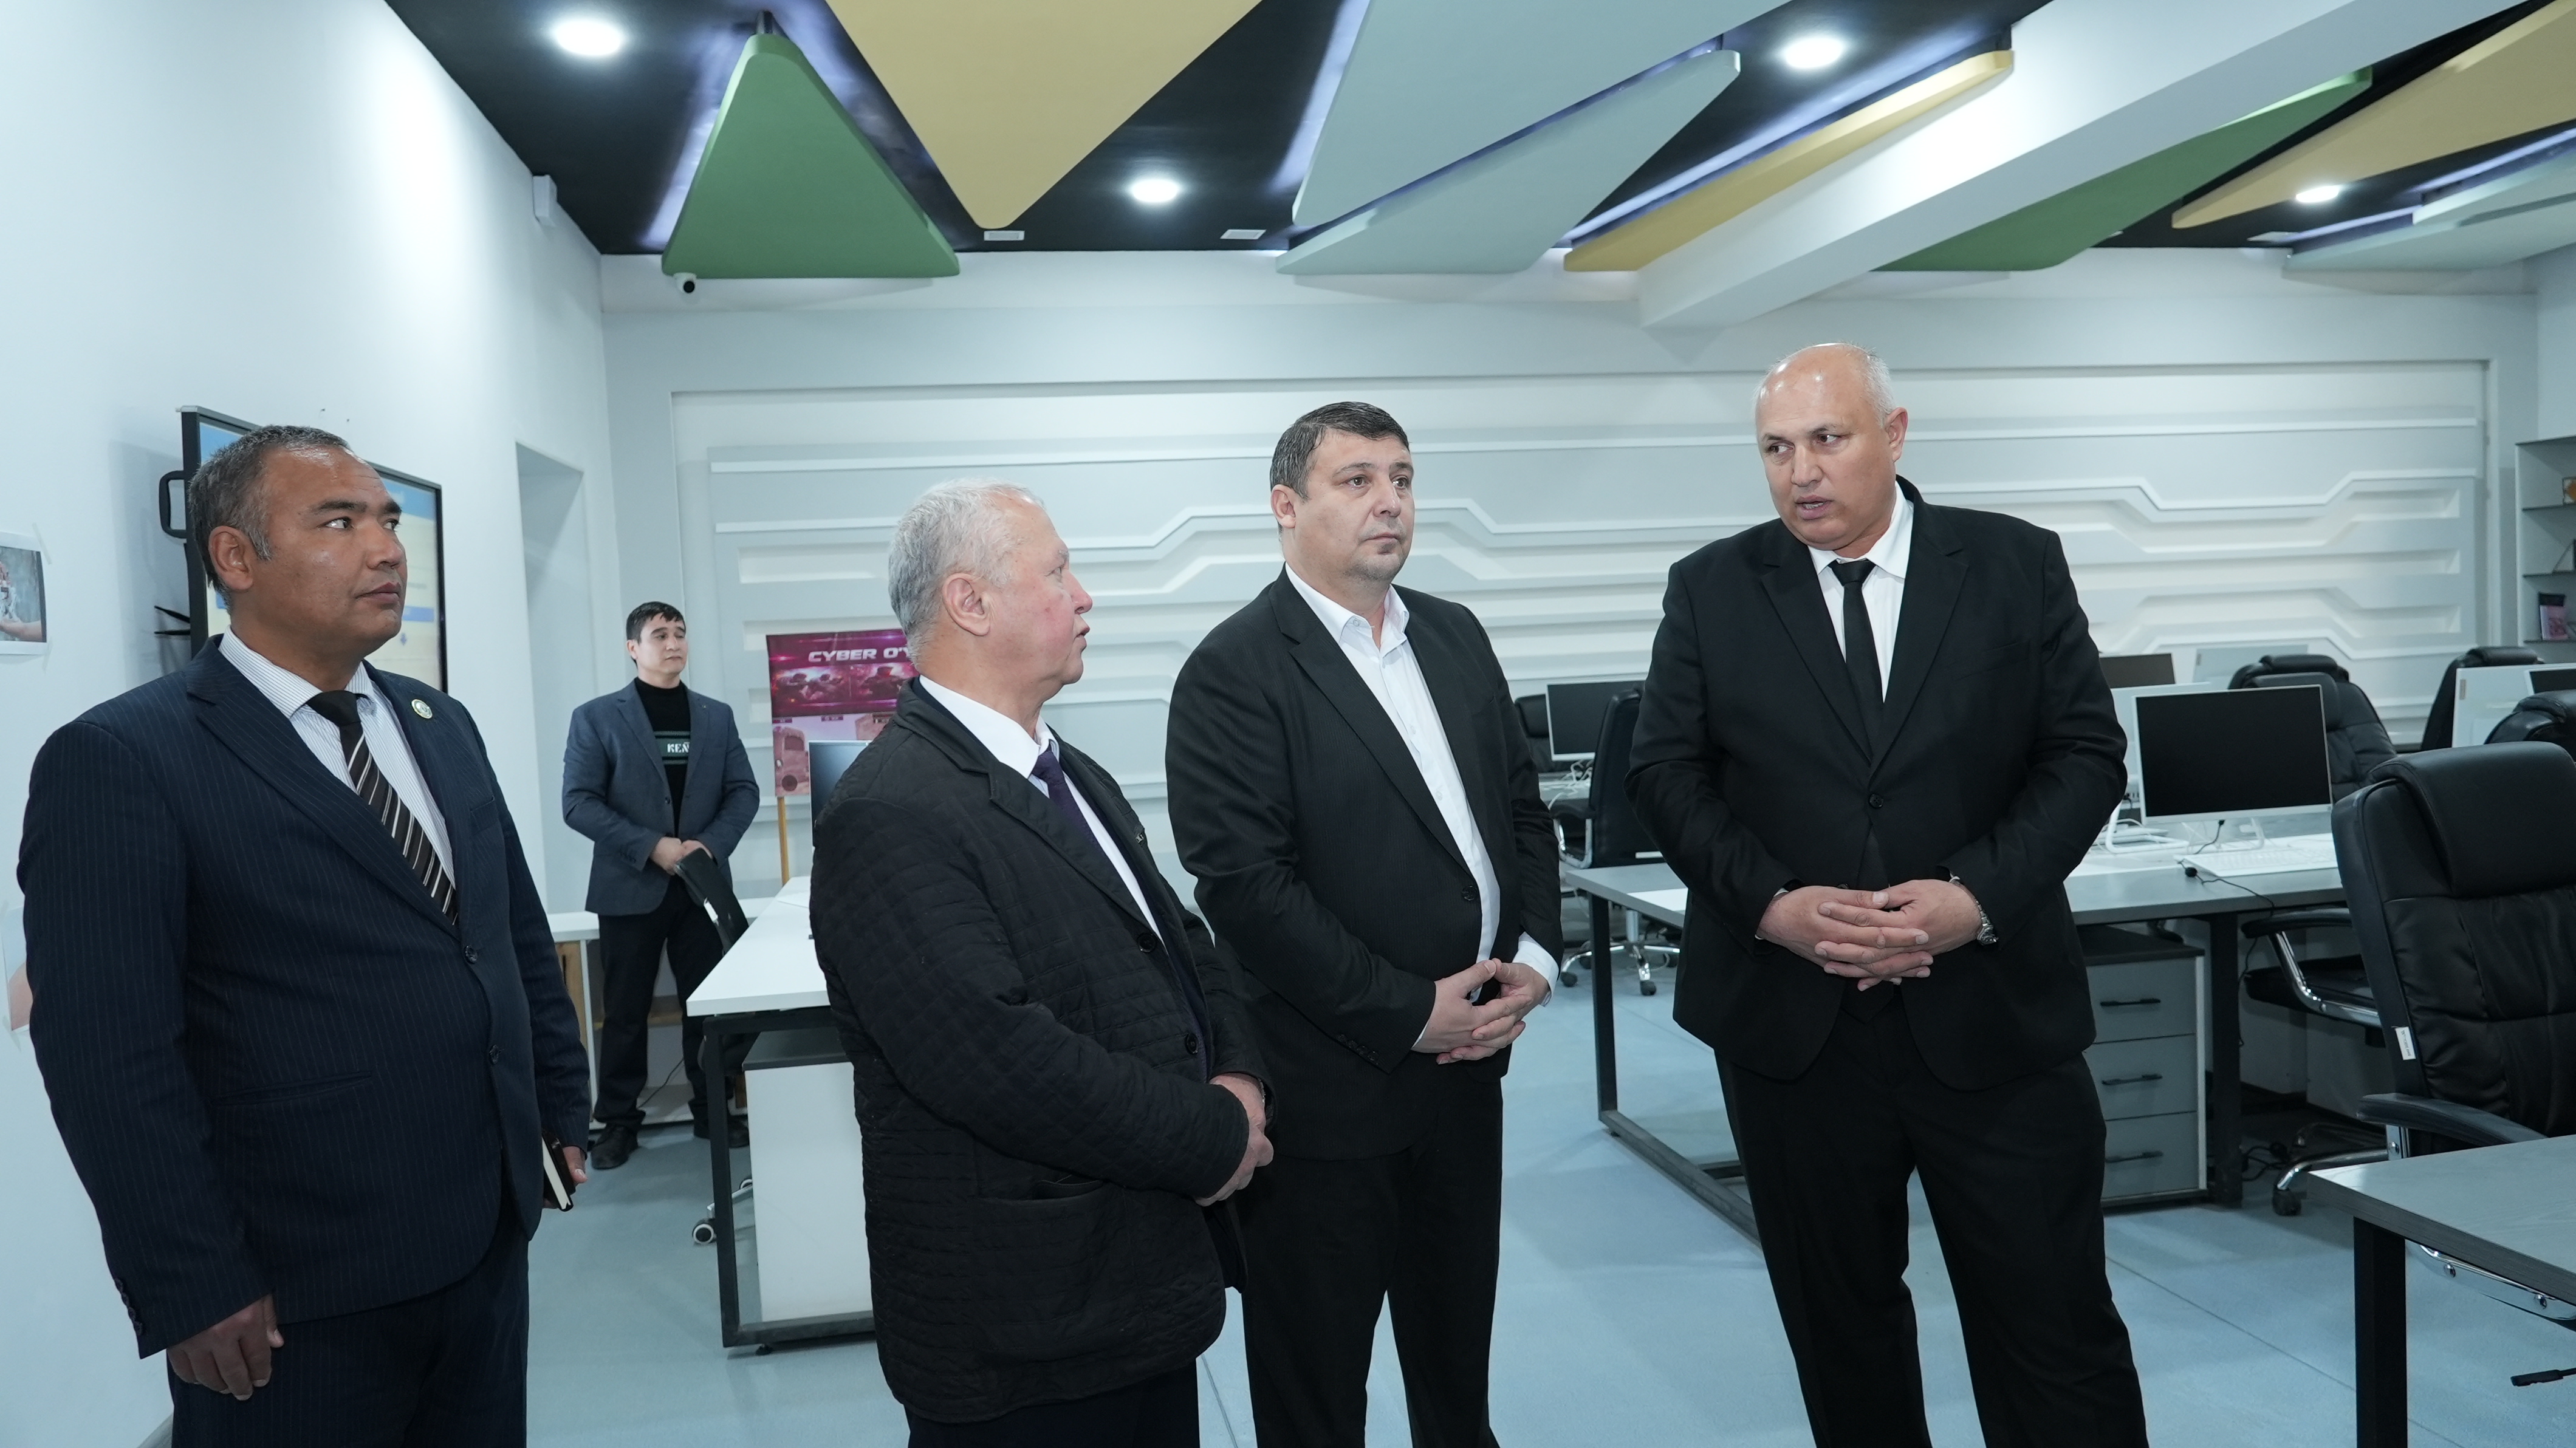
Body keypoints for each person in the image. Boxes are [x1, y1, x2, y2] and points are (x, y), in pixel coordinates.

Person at [21, 425, 591, 1446]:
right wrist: (192, 1279)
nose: (385, 549)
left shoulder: (437, 722)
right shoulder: (124, 757)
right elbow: (109, 1055)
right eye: (338, 522)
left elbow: (506, 933)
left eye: (388, 521)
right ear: (236, 558)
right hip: (296, 1286)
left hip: (482, 1238)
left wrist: (557, 1106)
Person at [1626, 344, 2147, 1446]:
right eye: (1777, 448)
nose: (1801, 471)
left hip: (1994, 1021)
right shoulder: (1711, 587)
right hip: (1796, 1034)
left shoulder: (2012, 563)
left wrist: (1975, 897)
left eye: (1828, 438)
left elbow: (2084, 754)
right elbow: (1665, 775)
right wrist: (1771, 906)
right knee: (1842, 1337)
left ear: (1895, 434)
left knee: (2054, 1329)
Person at [810, 478, 1272, 1447]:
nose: (1085, 596)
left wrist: (1238, 1070)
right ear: (970, 602)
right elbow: (999, 1059)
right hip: (1026, 1335)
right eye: (1058, 572)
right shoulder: (890, 812)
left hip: (1136, 1291)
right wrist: (1212, 1135)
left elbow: (1179, 944)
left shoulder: (1069, 772)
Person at [1166, 402, 1559, 1447]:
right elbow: (1246, 886)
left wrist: (1531, 956)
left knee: (1456, 1376)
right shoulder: (1232, 671)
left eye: (1403, 478)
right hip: (1326, 1102)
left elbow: (1521, 811)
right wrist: (1408, 1011)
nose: (1390, 500)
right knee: (1317, 1394)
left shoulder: (1456, 635)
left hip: (1469, 1079)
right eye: (1357, 480)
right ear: (1286, 506)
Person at [562, 601, 761, 1169]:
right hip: (630, 886)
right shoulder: (597, 717)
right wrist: (654, 845)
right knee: (625, 1013)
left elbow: (743, 791)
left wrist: (707, 847)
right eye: (658, 635)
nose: (673, 643)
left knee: (710, 1008)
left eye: (679, 633)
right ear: (634, 648)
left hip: (701, 888)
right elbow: (578, 803)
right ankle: (618, 1123)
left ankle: (713, 1110)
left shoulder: (715, 716)